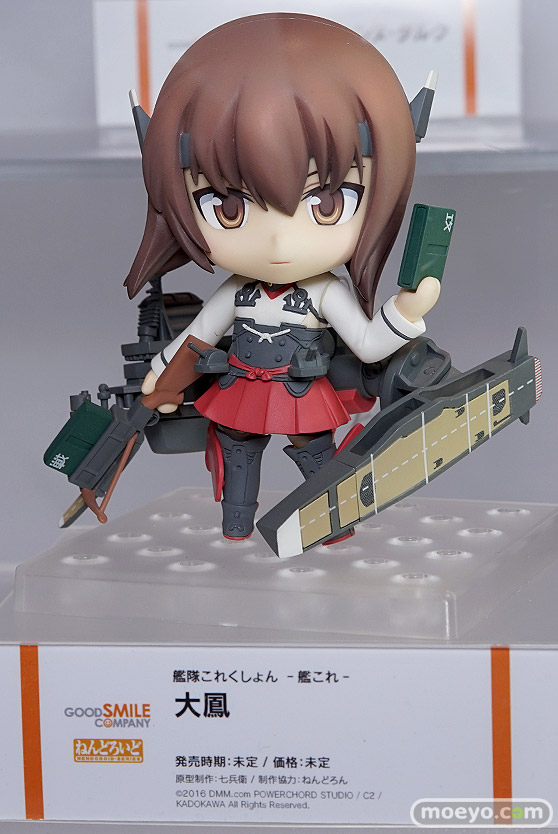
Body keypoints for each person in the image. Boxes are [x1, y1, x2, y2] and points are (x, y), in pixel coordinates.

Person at [125, 13, 440, 540]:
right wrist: (162, 374)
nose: (277, 241)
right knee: (238, 453)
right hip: (239, 387)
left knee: (317, 456)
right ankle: (236, 526)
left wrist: (403, 313)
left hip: (299, 390)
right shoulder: (238, 292)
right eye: (227, 207)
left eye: (328, 203)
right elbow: (196, 336)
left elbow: (367, 344)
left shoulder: (325, 291)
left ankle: (333, 525)